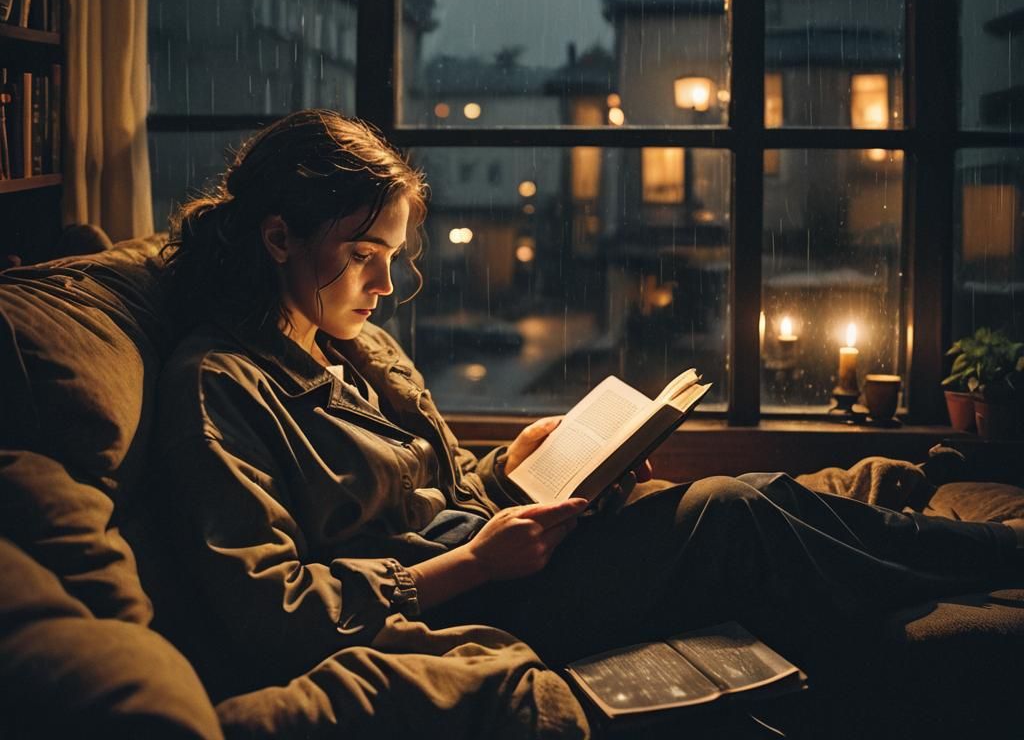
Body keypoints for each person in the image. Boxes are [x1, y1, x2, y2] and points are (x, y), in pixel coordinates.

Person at [156, 109, 1022, 737]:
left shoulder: (355, 346)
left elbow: (436, 489)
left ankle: (976, 554)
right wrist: (473, 562)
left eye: (390, 256)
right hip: (468, 597)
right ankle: (995, 555)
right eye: (361, 255)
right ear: (278, 238)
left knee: (756, 495)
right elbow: (270, 608)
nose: (384, 286)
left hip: (497, 553)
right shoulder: (219, 386)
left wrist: (512, 467)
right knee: (731, 512)